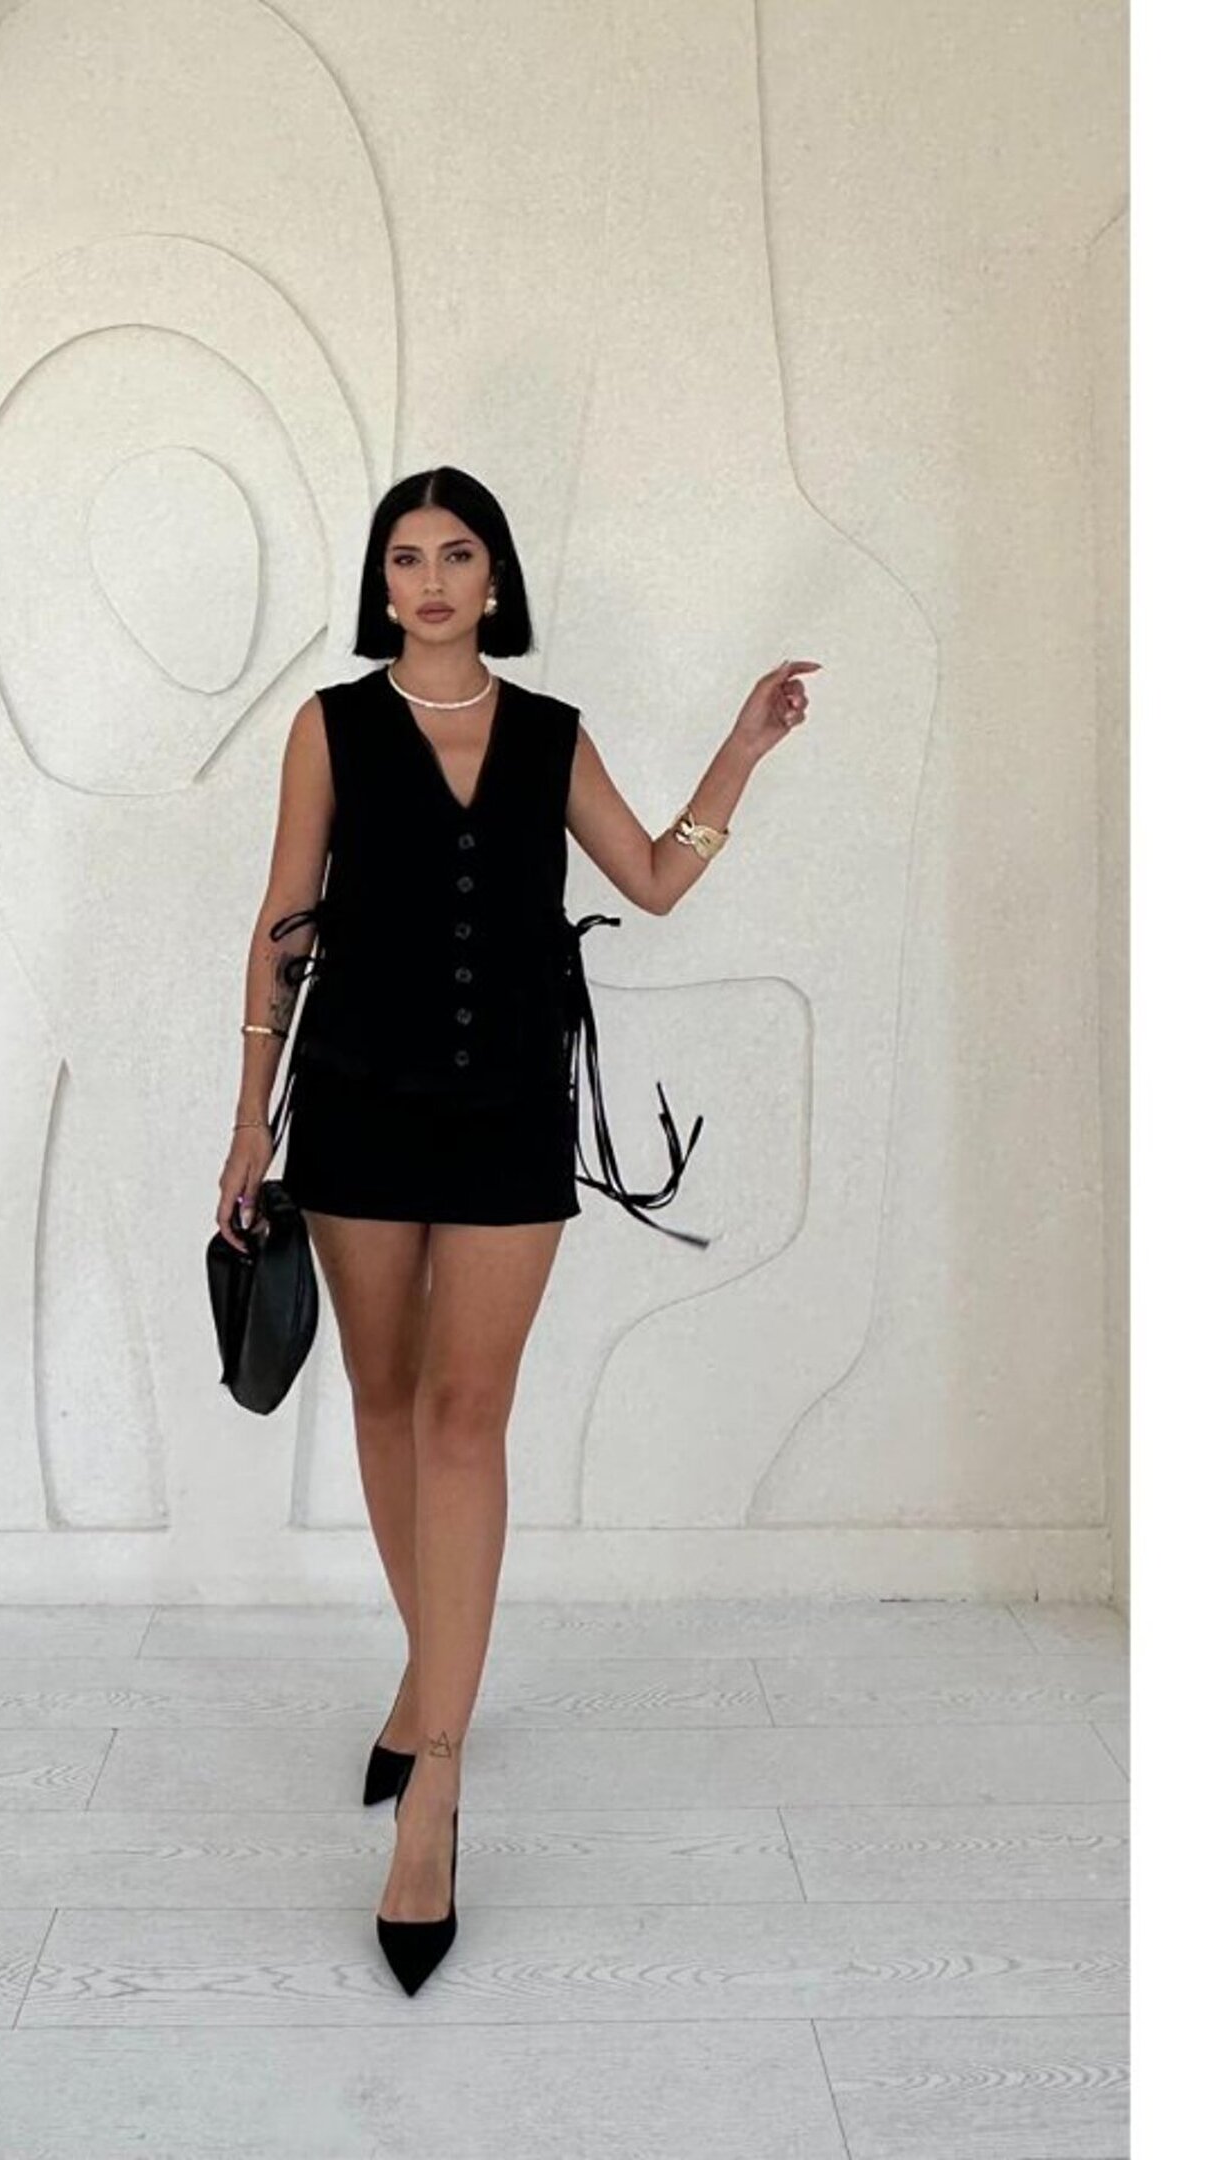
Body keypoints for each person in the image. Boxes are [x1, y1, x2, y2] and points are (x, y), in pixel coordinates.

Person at [214, 465, 818, 1994]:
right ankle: (432, 1682)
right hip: (355, 1106)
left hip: (507, 1116)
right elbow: (283, 922)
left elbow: (656, 882)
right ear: (384, 584)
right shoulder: (330, 726)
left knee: (465, 1417)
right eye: (405, 556)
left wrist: (740, 754)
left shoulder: (549, 734)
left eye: (457, 553)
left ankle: (436, 1781)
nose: (429, 579)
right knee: (383, 1399)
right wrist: (247, 1119)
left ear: (496, 581)